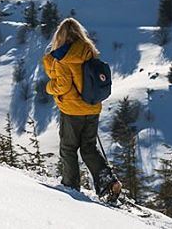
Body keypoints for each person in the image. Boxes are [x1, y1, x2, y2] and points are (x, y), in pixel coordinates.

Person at [42, 17, 121, 202]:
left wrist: (48, 87)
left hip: (72, 111)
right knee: (88, 148)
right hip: (92, 108)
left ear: (60, 37)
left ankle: (71, 185)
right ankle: (109, 183)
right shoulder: (89, 52)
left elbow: (62, 86)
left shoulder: (63, 58)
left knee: (68, 148)